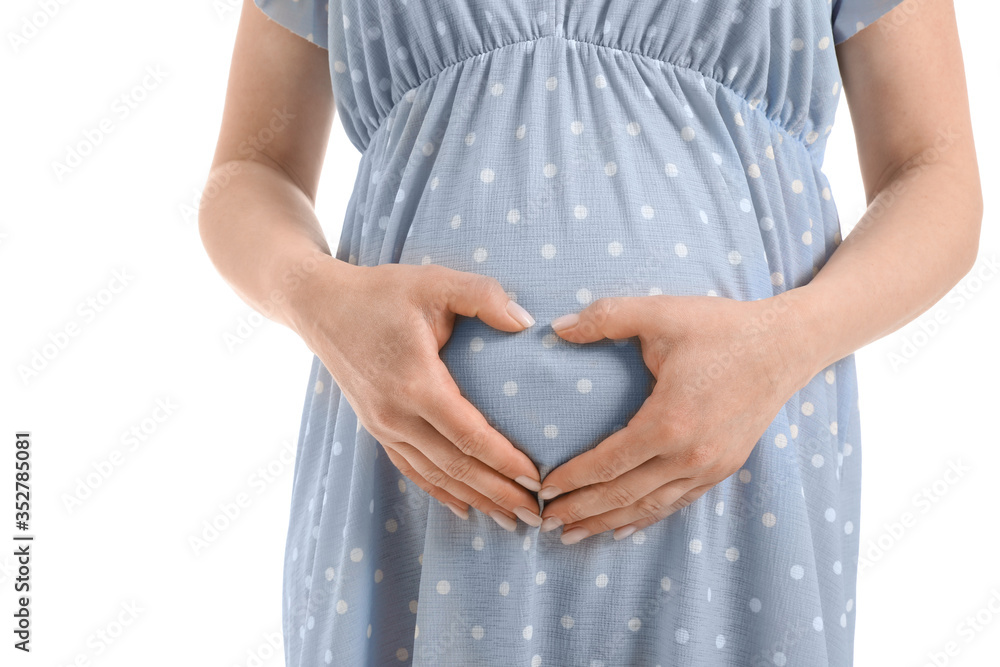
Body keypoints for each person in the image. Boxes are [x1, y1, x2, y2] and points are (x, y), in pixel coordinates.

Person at [198, 0, 982, 664]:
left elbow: (936, 174)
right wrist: (319, 298)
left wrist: (785, 342)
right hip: (410, 486)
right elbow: (249, 171)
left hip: (730, 480)